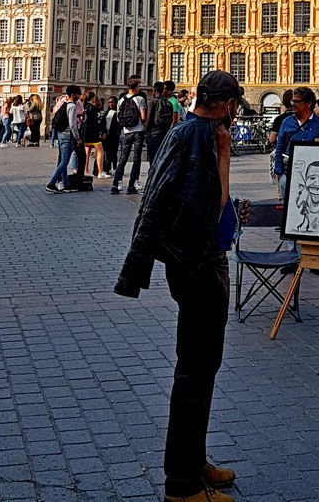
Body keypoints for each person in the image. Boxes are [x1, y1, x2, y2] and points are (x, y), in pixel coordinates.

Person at [114, 70, 246, 502]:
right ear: (226, 105)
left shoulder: (205, 134)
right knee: (195, 371)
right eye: (234, 106)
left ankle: (194, 461)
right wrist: (138, 266)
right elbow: (158, 200)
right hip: (196, 264)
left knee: (203, 370)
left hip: (204, 259)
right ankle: (183, 485)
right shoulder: (192, 135)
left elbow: (209, 201)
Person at [273, 87, 319, 200]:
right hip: (289, 171)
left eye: (297, 101)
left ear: (308, 103)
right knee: (288, 204)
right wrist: (279, 172)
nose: (293, 104)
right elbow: (279, 148)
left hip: (313, 175)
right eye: (293, 101)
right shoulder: (286, 123)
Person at [111, 77, 148, 195]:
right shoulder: (140, 99)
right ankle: (131, 185)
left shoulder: (121, 100)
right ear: (136, 87)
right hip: (138, 131)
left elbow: (118, 118)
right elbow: (143, 117)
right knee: (136, 159)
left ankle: (115, 184)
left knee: (123, 158)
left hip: (126, 132)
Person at [45, 86, 83, 193]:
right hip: (68, 136)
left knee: (63, 160)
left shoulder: (65, 105)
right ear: (73, 94)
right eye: (78, 94)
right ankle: (52, 183)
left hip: (61, 134)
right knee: (65, 161)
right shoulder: (72, 106)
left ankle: (66, 184)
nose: (79, 96)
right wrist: (77, 138)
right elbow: (72, 124)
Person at [145, 81, 177, 165]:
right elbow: (171, 120)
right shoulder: (169, 103)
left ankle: (152, 173)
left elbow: (148, 118)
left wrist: (146, 132)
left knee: (153, 158)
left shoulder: (152, 102)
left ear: (154, 90)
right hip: (165, 133)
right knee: (161, 158)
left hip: (154, 133)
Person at [83, 92, 107, 179]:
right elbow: (95, 122)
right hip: (93, 132)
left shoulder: (84, 106)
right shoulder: (92, 108)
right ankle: (100, 172)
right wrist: (101, 132)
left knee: (87, 153)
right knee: (100, 151)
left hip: (85, 132)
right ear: (92, 98)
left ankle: (85, 170)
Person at [104, 96, 120, 174]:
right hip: (107, 135)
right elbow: (103, 123)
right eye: (109, 102)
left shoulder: (117, 112)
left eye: (112, 102)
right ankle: (107, 169)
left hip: (114, 135)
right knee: (107, 153)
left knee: (114, 152)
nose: (111, 104)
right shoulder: (107, 113)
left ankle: (114, 167)